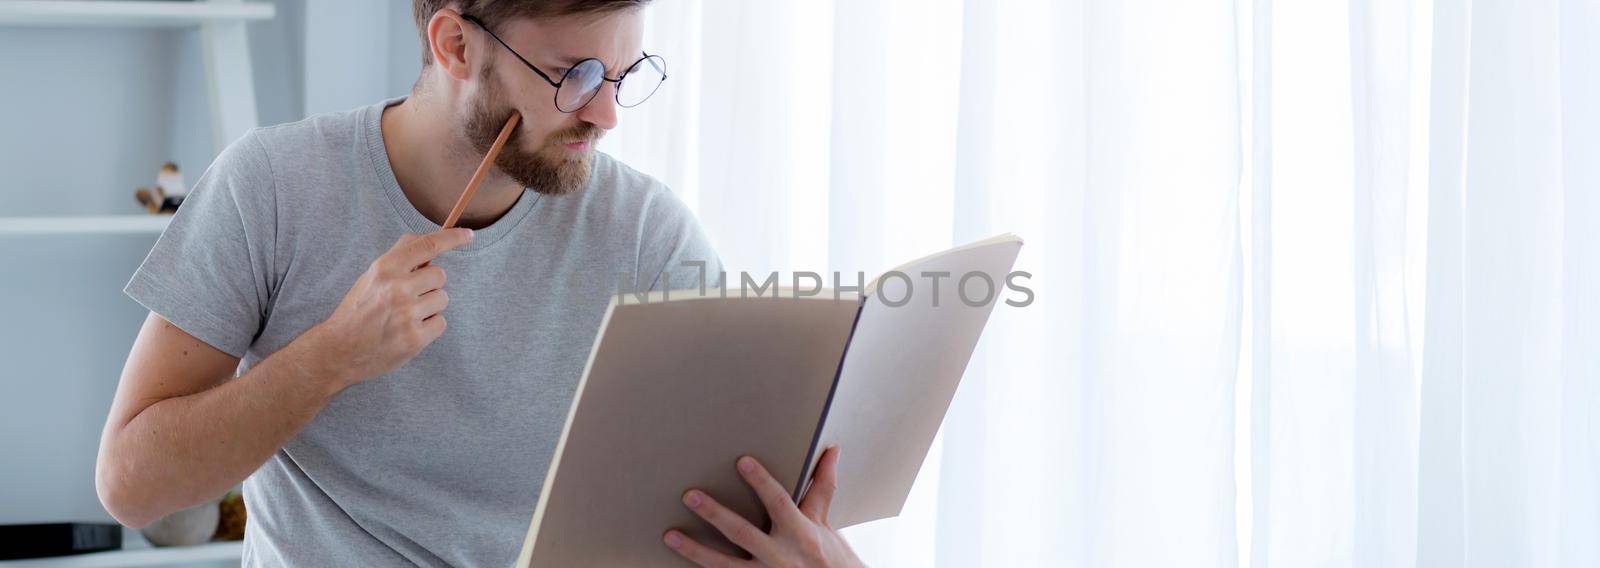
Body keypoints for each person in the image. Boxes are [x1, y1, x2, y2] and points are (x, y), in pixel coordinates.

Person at [94, 1, 863, 566]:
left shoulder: (646, 233)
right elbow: (132, 486)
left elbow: (713, 494)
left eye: (625, 75)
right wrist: (331, 356)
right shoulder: (270, 186)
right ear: (455, 43)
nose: (605, 115)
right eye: (576, 75)